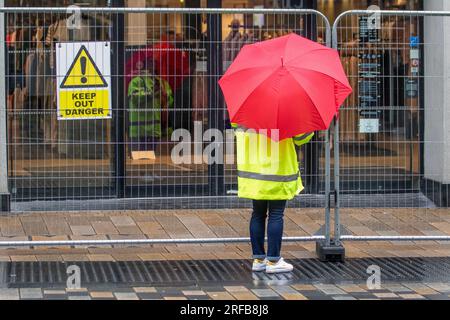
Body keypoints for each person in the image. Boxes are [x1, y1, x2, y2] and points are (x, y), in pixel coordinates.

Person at [232, 124, 314, 273]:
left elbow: (237, 130)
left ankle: (258, 260)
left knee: (257, 214)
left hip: (254, 172)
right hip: (278, 171)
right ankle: (273, 260)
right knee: (276, 215)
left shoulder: (247, 108)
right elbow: (302, 138)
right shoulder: (284, 110)